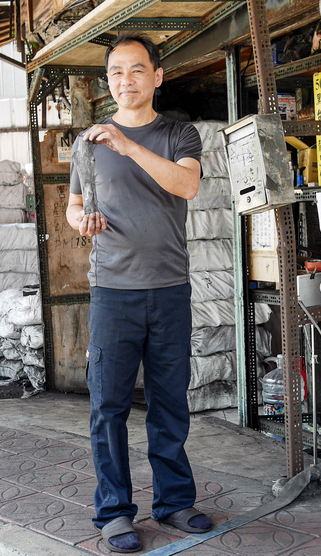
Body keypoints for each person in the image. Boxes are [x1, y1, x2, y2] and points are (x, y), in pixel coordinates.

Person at [66, 33, 214, 553]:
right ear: (108, 81)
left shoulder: (179, 135)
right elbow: (74, 205)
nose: (124, 81)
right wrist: (80, 221)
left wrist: (128, 145)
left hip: (170, 289)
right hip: (113, 292)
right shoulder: (87, 145)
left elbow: (187, 186)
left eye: (135, 70)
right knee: (107, 407)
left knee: (170, 402)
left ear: (156, 76)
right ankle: (114, 512)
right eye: (115, 73)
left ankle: (174, 502)